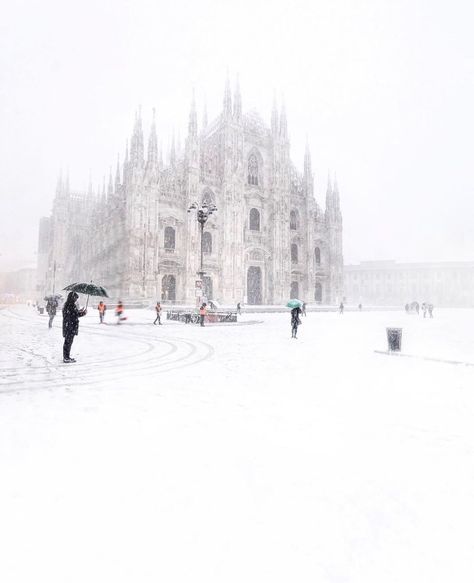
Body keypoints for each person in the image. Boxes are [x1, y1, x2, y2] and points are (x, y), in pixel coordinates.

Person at [62, 291, 87, 363]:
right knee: (68, 342)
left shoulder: (68, 304)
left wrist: (79, 311)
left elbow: (74, 313)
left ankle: (66, 357)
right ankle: (66, 358)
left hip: (69, 326)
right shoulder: (70, 305)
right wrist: (83, 313)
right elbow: (74, 315)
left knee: (68, 342)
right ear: (72, 298)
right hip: (70, 326)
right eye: (75, 298)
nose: (76, 300)